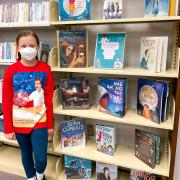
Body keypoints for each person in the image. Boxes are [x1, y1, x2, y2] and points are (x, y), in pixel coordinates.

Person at [2, 30, 54, 180]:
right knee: (25, 153)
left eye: (31, 45)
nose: (28, 48)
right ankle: (31, 178)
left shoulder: (45, 69)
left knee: (41, 158)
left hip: (39, 120)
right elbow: (6, 100)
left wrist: (50, 124)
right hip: (19, 120)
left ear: (38, 47)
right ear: (17, 48)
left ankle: (40, 175)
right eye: (23, 45)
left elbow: (49, 98)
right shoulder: (11, 71)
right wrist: (8, 128)